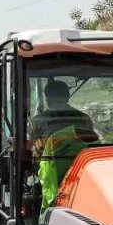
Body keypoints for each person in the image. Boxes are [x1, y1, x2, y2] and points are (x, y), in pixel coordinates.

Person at [30, 80, 98, 209]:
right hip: (82, 173)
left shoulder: (39, 121)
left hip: (51, 174)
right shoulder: (84, 118)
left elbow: (35, 152)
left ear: (47, 98)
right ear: (67, 96)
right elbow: (92, 144)